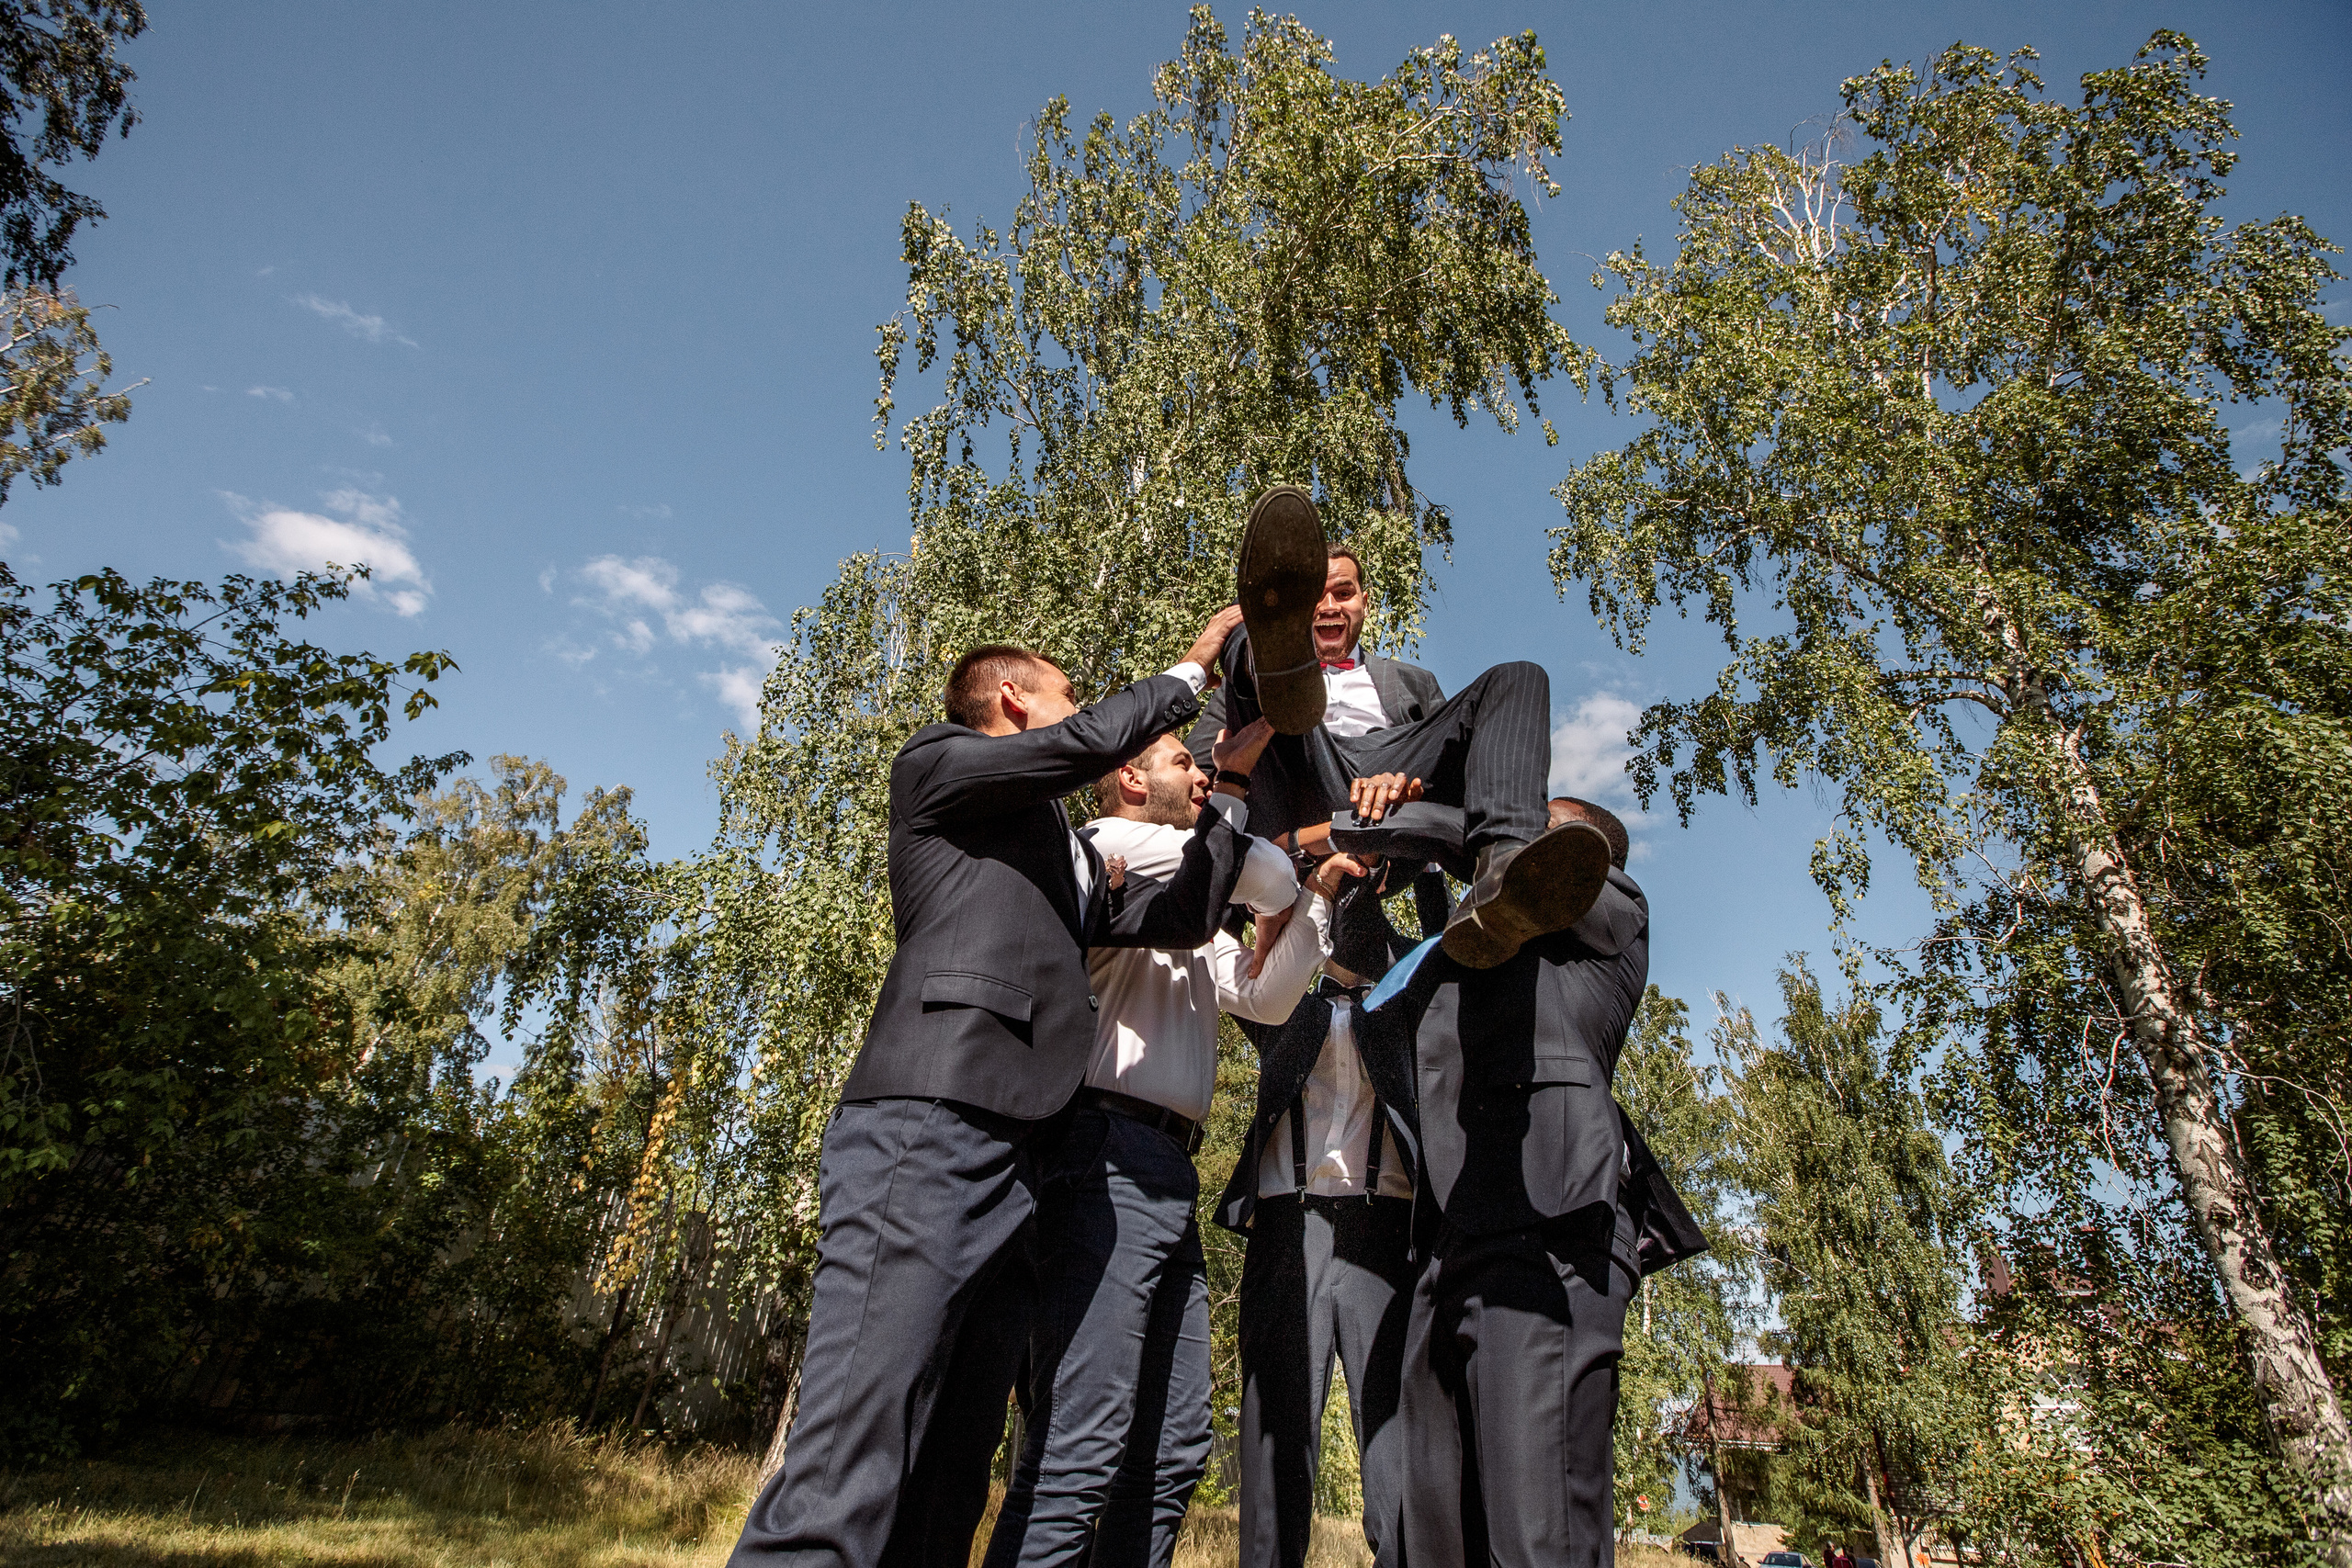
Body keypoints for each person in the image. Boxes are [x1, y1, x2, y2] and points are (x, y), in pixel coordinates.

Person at [728, 609, 1254, 1568]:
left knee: (952, 1464)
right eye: (1068, 698)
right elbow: (1090, 744)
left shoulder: (1063, 852)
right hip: (925, 1128)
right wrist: (1195, 668)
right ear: (1015, 699)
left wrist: (1234, 792)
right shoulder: (938, 765)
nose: (1086, 715)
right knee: (858, 1441)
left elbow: (1181, 919)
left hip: (1024, 1159)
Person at [985, 722, 1368, 1568]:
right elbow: (1259, 875)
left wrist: (1319, 899)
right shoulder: (1113, 845)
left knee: (1171, 1450)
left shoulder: (1188, 893)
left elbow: (1267, 996)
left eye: (1201, 765)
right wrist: (1278, 847)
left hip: (1162, 1172)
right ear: (1128, 775)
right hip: (1103, 1153)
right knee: (1081, 1445)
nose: (1200, 777)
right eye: (1184, 762)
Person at [1367, 798, 1709, 1568]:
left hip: (1548, 1232)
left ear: (1583, 851)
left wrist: (1384, 809)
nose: (1511, 816)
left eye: (1534, 817)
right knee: (1429, 1537)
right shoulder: (1473, 938)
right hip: (1451, 1241)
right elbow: (1376, 967)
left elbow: (1501, 847)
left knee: (1536, 1536)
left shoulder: (1612, 903)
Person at [1218, 486, 1610, 969]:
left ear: (1364, 602)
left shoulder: (1412, 682)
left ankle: (1505, 862)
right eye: (1312, 597)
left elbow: (1457, 773)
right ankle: (1278, 667)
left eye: (1343, 593)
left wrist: (1413, 792)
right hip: (1296, 760)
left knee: (1520, 676)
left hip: (1390, 787)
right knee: (1239, 639)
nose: (1329, 606)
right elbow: (1200, 769)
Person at [1214, 866, 1444, 1568]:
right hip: (1290, 1227)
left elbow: (1449, 944)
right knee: (1276, 1436)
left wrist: (1426, 866)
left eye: (1368, 895)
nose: (1356, 907)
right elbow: (1213, 921)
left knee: (1395, 1441)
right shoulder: (1281, 998)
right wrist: (1285, 876)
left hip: (1387, 1232)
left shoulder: (1410, 1002)